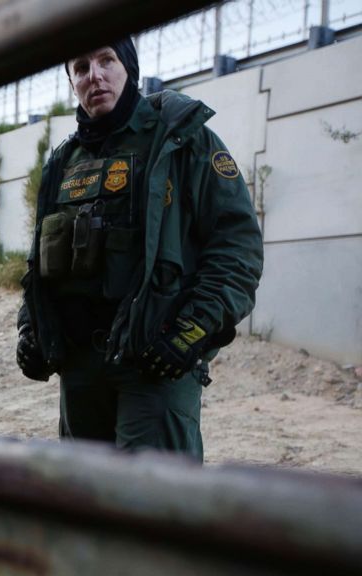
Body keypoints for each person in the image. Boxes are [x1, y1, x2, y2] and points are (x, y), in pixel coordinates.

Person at [16, 38, 263, 460]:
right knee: (87, 505)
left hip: (154, 363)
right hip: (81, 372)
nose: (94, 75)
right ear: (72, 83)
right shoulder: (63, 162)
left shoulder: (183, 141)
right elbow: (41, 264)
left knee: (154, 507)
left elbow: (236, 247)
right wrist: (31, 328)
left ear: (128, 67)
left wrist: (190, 331)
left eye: (106, 60)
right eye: (80, 66)